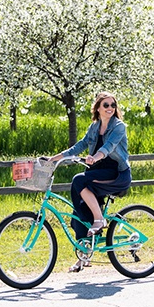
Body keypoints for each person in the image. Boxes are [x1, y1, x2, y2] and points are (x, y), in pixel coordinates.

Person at [51, 92, 132, 271]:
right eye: (106, 105)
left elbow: (109, 146)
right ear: (97, 108)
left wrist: (95, 157)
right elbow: (80, 145)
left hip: (117, 174)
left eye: (113, 105)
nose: (110, 108)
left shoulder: (119, 126)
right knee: (79, 213)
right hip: (98, 172)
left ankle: (99, 219)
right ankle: (84, 256)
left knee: (79, 179)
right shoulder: (94, 127)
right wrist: (55, 158)